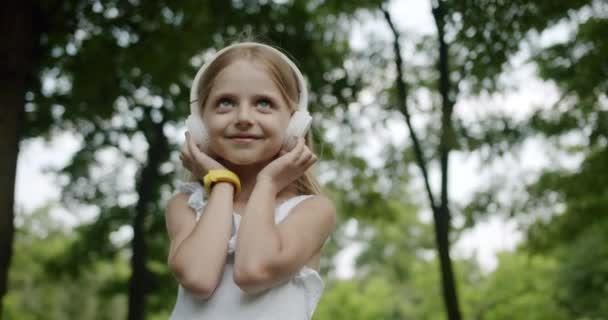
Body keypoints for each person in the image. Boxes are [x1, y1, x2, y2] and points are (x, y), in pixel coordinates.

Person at [165, 41, 336, 320]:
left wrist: (267, 183)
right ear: (199, 123)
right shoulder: (186, 205)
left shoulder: (312, 210)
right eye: (225, 103)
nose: (243, 117)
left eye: (264, 103)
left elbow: (253, 271)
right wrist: (221, 184)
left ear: (295, 124)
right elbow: (198, 278)